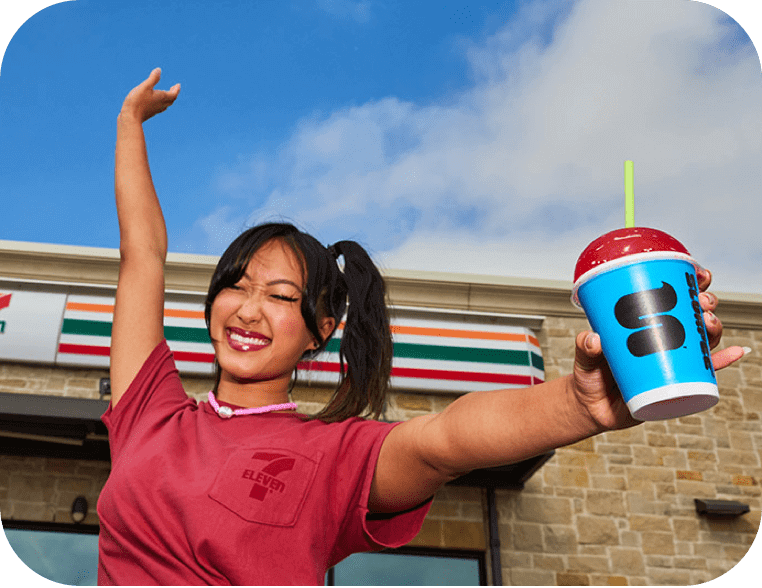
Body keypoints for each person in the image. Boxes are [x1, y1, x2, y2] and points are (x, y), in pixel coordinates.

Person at [97, 69, 746, 585]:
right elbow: (143, 255)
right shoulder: (149, 415)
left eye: (279, 296)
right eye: (236, 285)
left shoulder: (332, 452)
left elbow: (444, 440)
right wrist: (129, 125)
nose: (247, 307)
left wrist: (577, 404)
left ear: (320, 328)